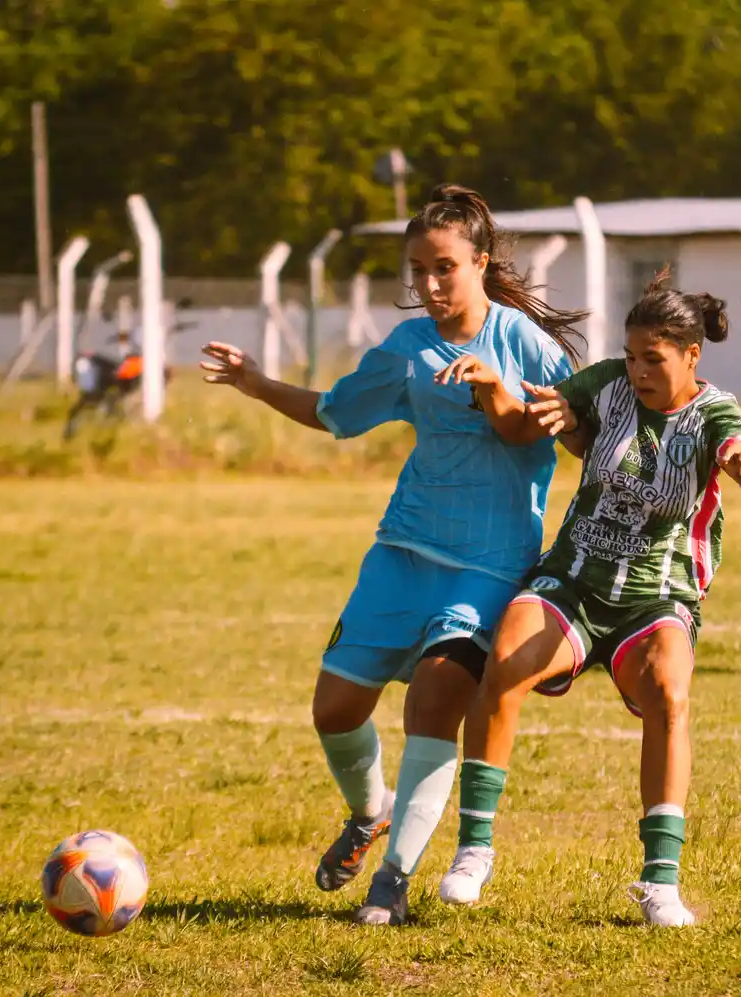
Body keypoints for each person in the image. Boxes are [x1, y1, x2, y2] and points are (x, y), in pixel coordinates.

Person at [200, 184, 587, 926]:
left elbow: (552, 433)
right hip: (404, 549)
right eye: (418, 271)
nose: (431, 286)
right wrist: (254, 383)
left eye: (445, 267)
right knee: (335, 708)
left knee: (436, 696)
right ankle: (371, 808)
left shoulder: (525, 345)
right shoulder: (406, 351)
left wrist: (496, 388)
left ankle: (393, 881)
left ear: (479, 262)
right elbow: (335, 412)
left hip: (490, 563)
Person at [432, 273, 741, 928]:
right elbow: (522, 426)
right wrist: (496, 391)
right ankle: (474, 849)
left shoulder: (716, 413)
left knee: (670, 693)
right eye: (632, 354)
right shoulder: (607, 384)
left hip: (657, 597)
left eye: (655, 358)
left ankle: (660, 883)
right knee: (505, 659)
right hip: (576, 581)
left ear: (691, 355)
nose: (639, 369)